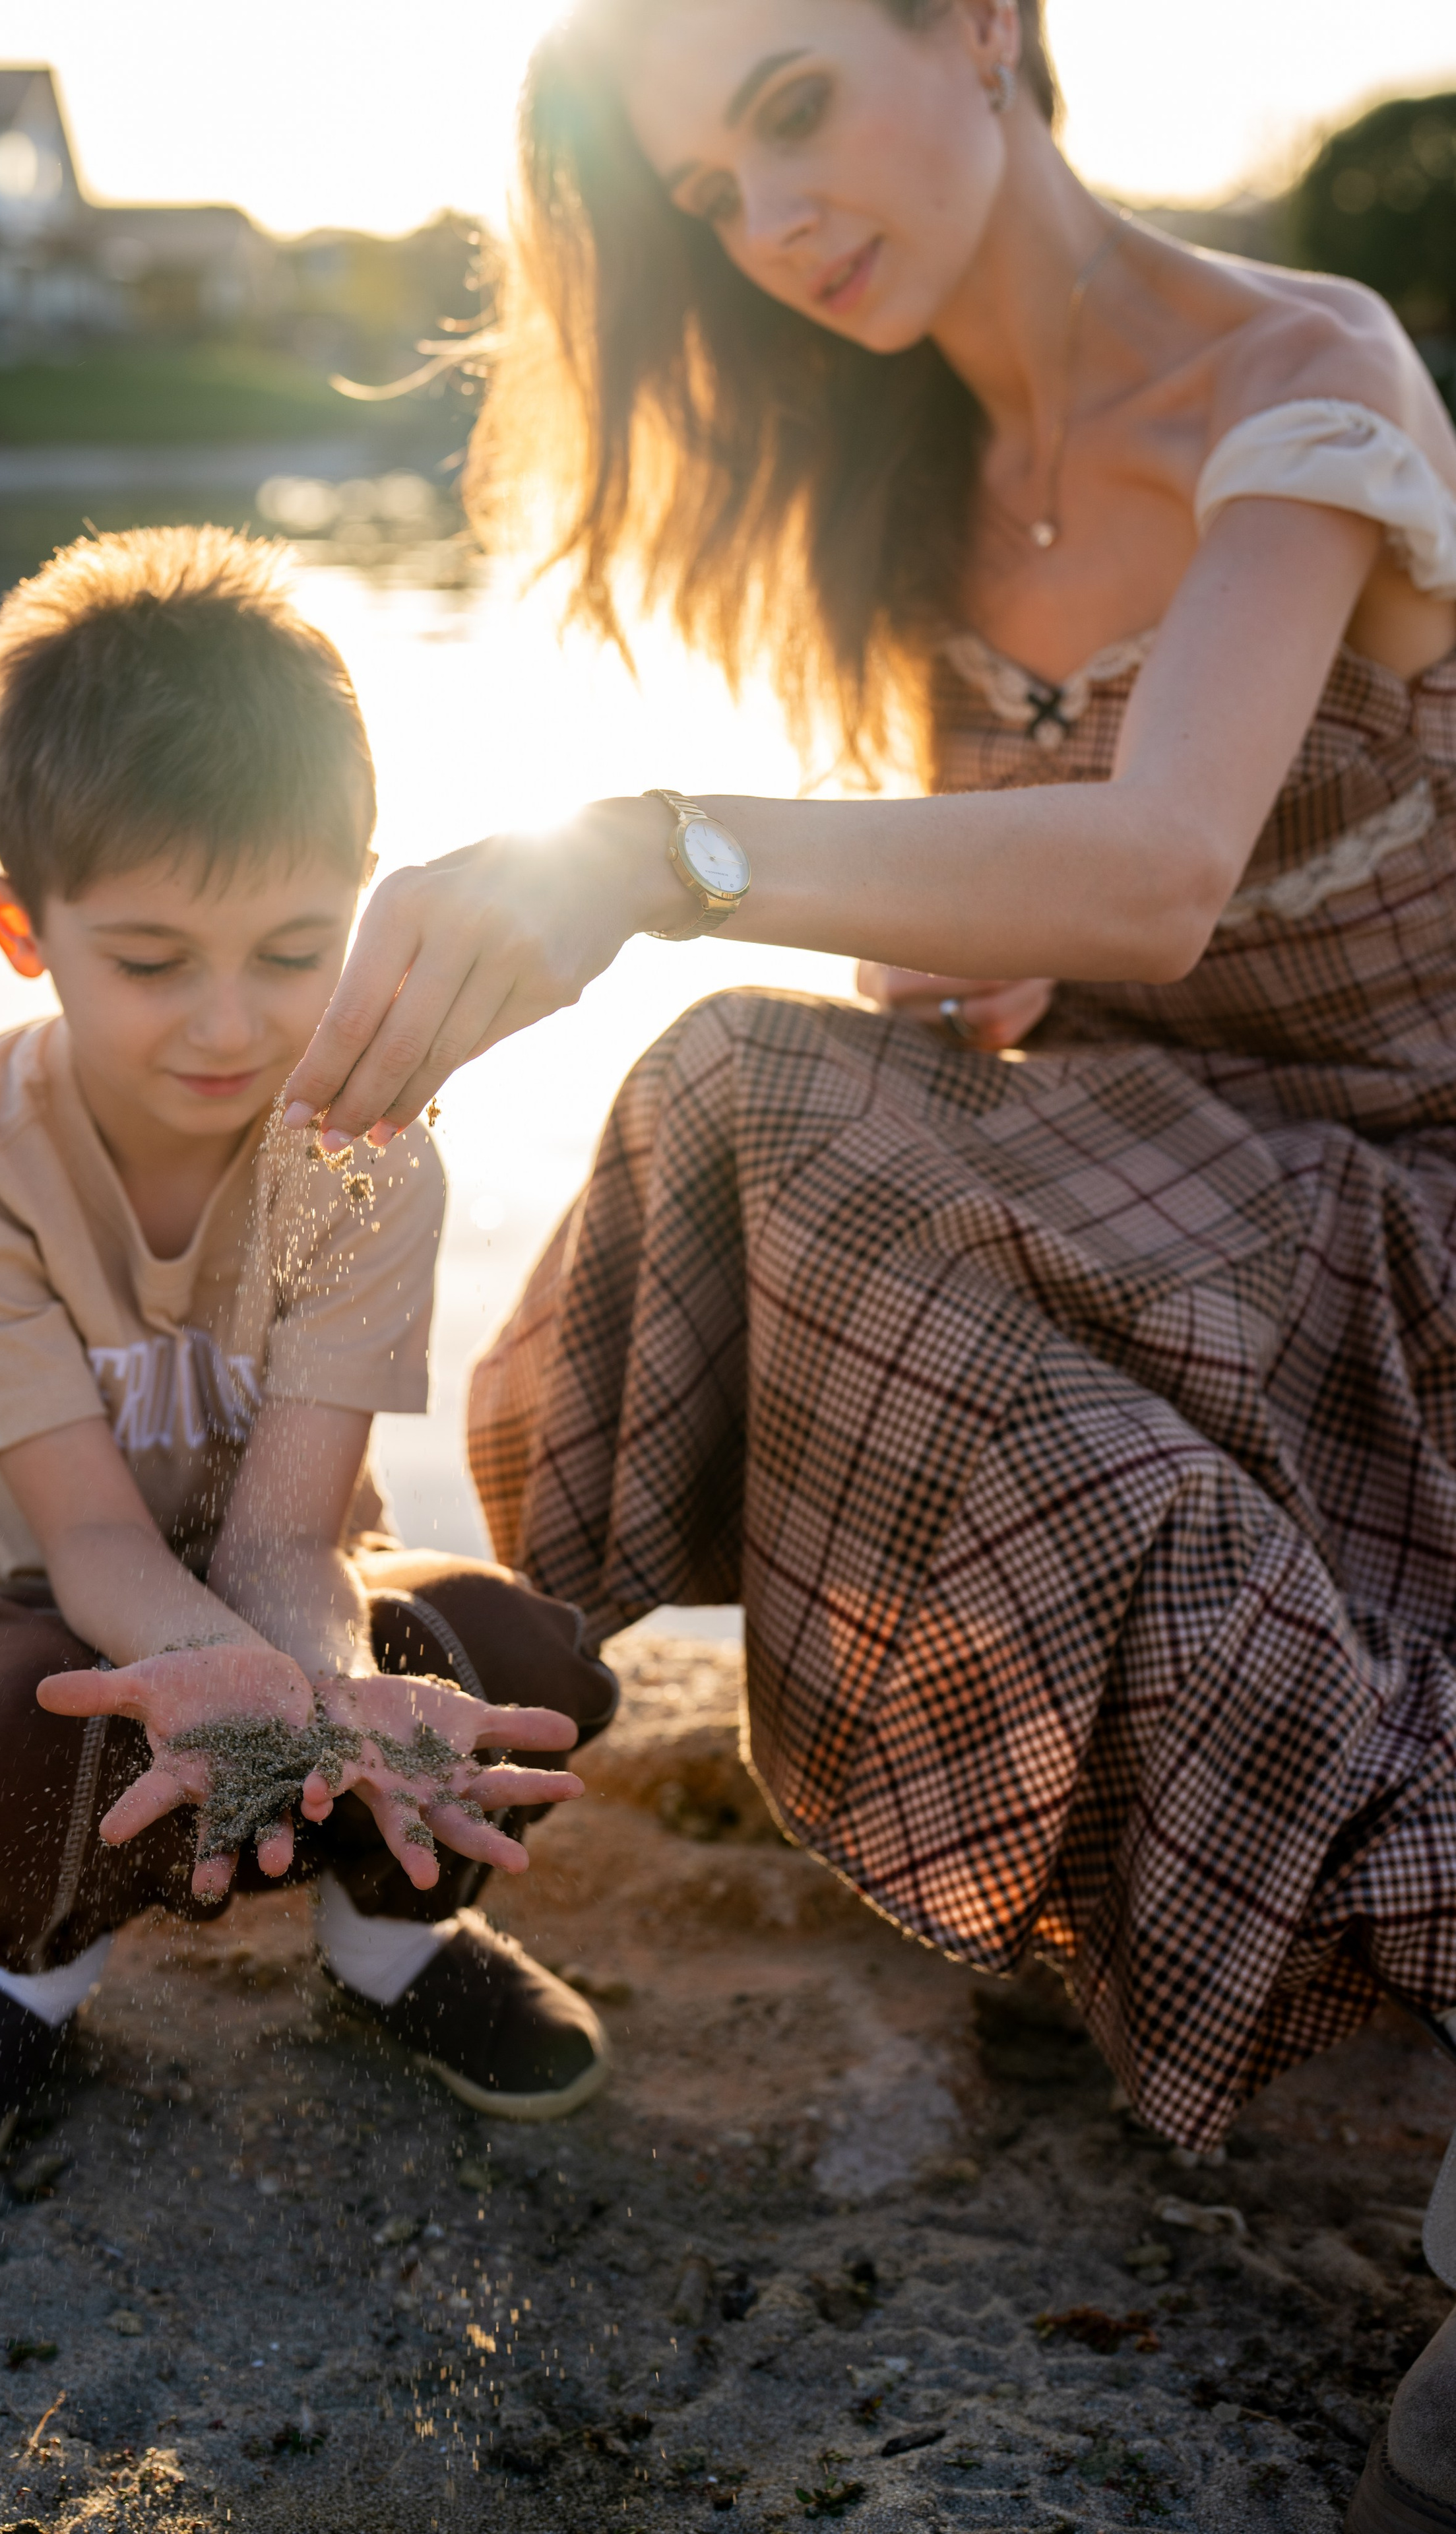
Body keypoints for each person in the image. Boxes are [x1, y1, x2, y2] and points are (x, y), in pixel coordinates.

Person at [274, 3, 1456, 2521]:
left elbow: (1159, 860)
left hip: (1411, 1281)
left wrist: (639, 848)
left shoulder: (1298, 375)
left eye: (795, 105)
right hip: (1180, 1241)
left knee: (735, 1047)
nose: (774, 219)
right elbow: (1070, 946)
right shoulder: (918, 500)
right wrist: (958, 984)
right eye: (710, 191)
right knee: (759, 1093)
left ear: (986, 23)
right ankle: (430, 1711)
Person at [0, 525, 617, 2207]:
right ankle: (19, 1976)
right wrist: (223, 1680)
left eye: (290, 951)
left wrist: (319, 1692)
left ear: (361, 891)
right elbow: (97, 1545)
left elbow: (286, 1538)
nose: (227, 1028)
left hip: (273, 1594)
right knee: (10, 1727)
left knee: (517, 1660)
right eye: (150, 964)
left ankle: (387, 1953)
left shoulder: (366, 1152)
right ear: (16, 924)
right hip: (40, 1607)